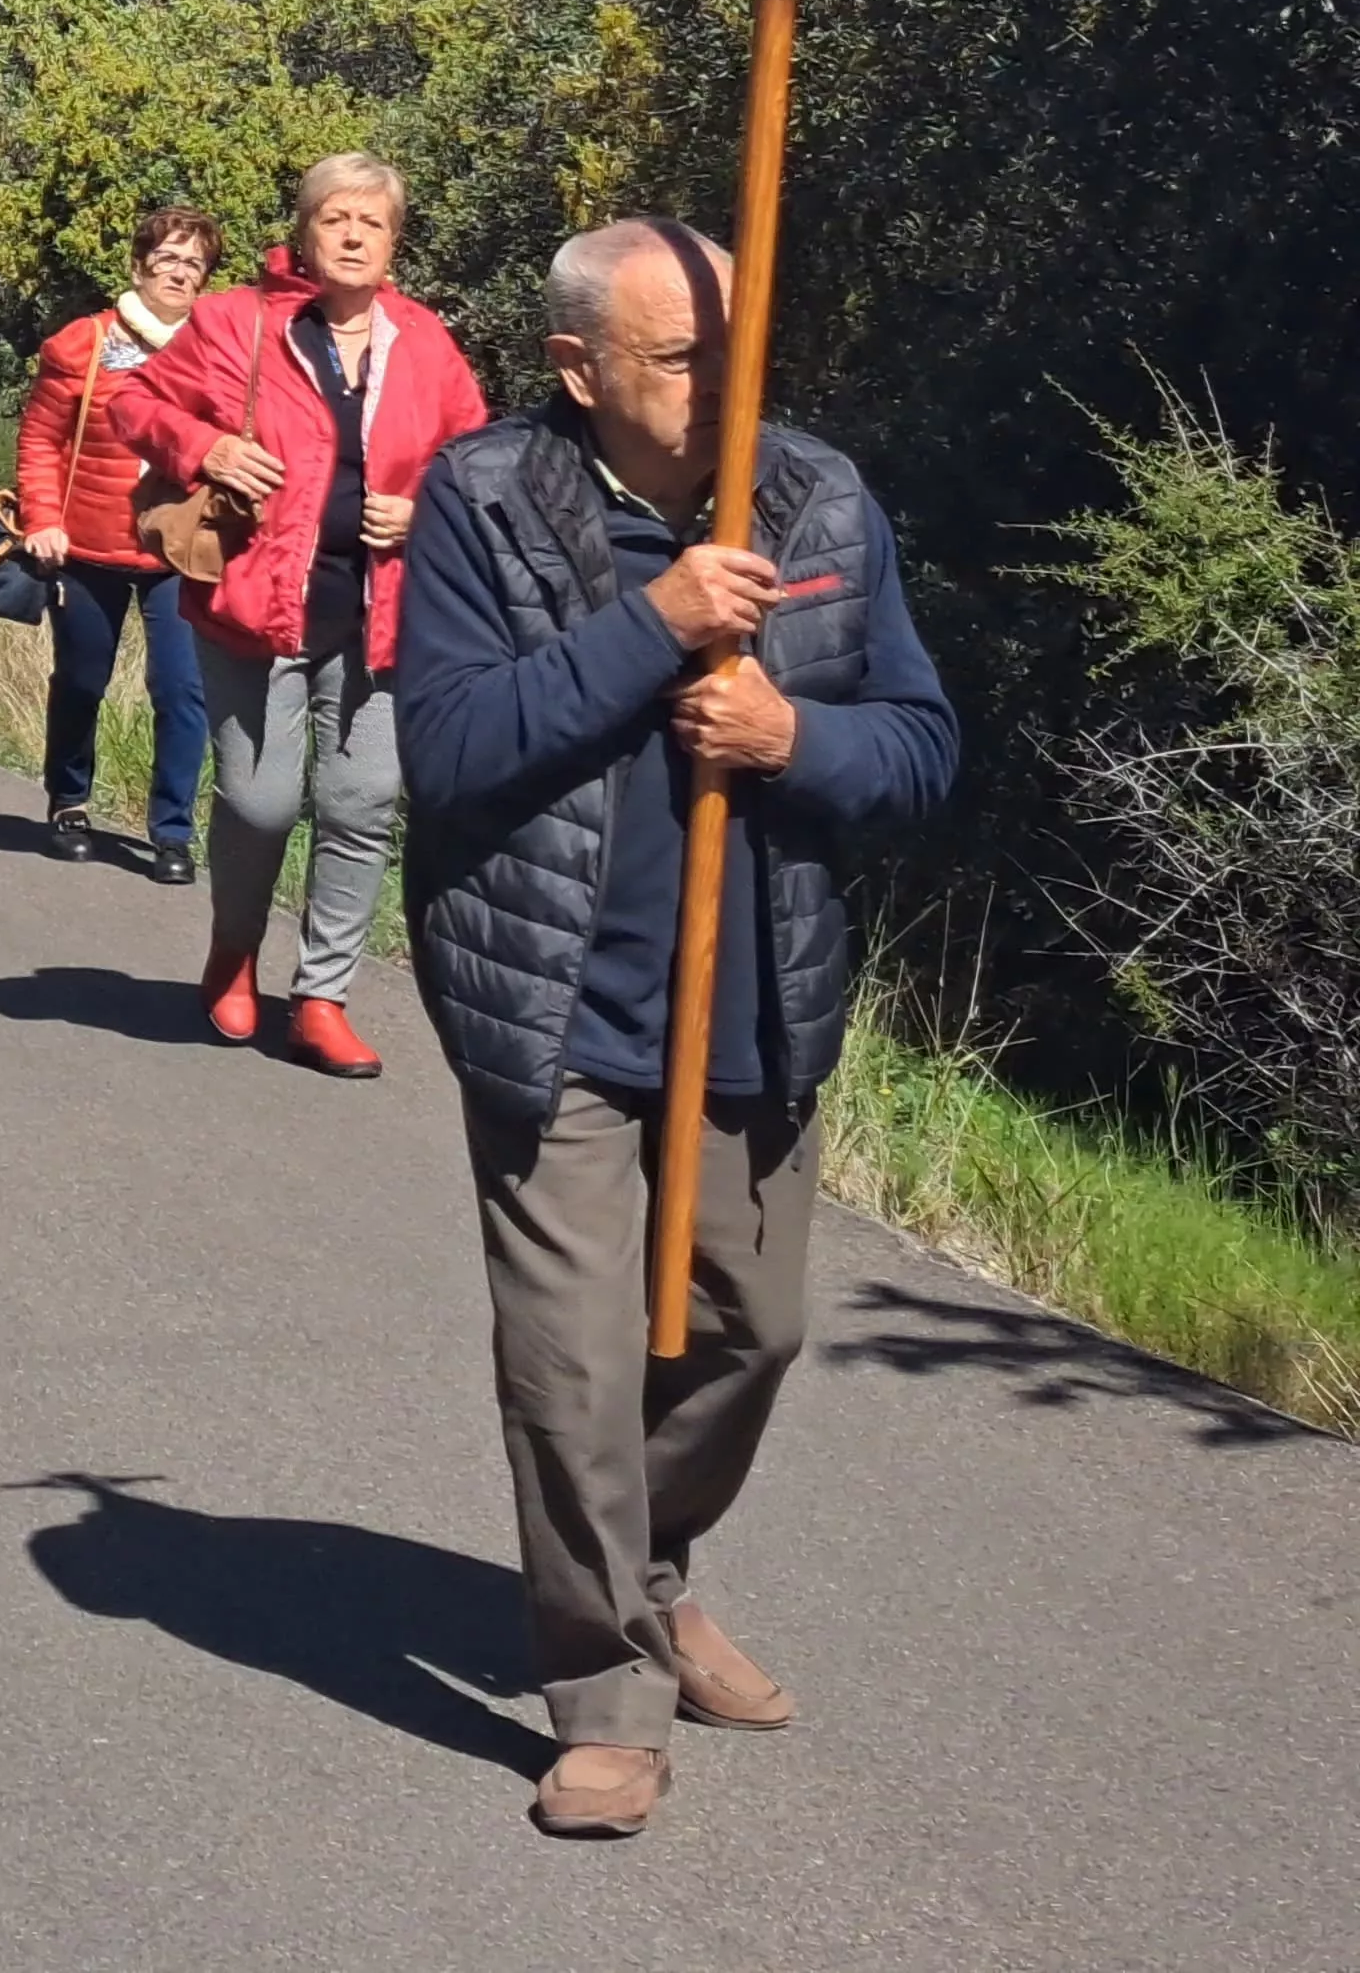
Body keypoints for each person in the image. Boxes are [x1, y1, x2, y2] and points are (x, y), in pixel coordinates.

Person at [397, 220, 956, 1840]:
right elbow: (445, 748)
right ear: (575, 369)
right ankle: (607, 1687)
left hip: (750, 992)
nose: (720, 390)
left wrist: (790, 731)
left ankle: (645, 1569)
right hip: (551, 1000)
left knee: (748, 1327)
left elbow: (919, 750)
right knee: (568, 1361)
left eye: (734, 350)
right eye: (676, 357)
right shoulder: (482, 498)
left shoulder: (820, 498)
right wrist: (650, 626)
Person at [117, 151, 488, 1078]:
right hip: (253, 601)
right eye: (336, 219)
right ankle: (233, 953)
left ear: (394, 243)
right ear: (304, 232)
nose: (354, 235)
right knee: (262, 798)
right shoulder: (237, 324)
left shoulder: (426, 345)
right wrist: (208, 449)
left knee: (360, 804)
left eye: (372, 223)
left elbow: (476, 463)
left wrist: (424, 511)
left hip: (383, 616)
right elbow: (133, 402)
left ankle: (322, 996)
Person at [17, 207, 222, 882]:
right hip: (87, 544)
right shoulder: (85, 343)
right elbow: (42, 440)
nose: (179, 272)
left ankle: (171, 833)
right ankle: (69, 801)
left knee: (181, 689)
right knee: (81, 680)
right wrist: (44, 518)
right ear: (138, 266)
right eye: (167, 257)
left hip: (177, 550)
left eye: (193, 262)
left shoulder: (221, 350)